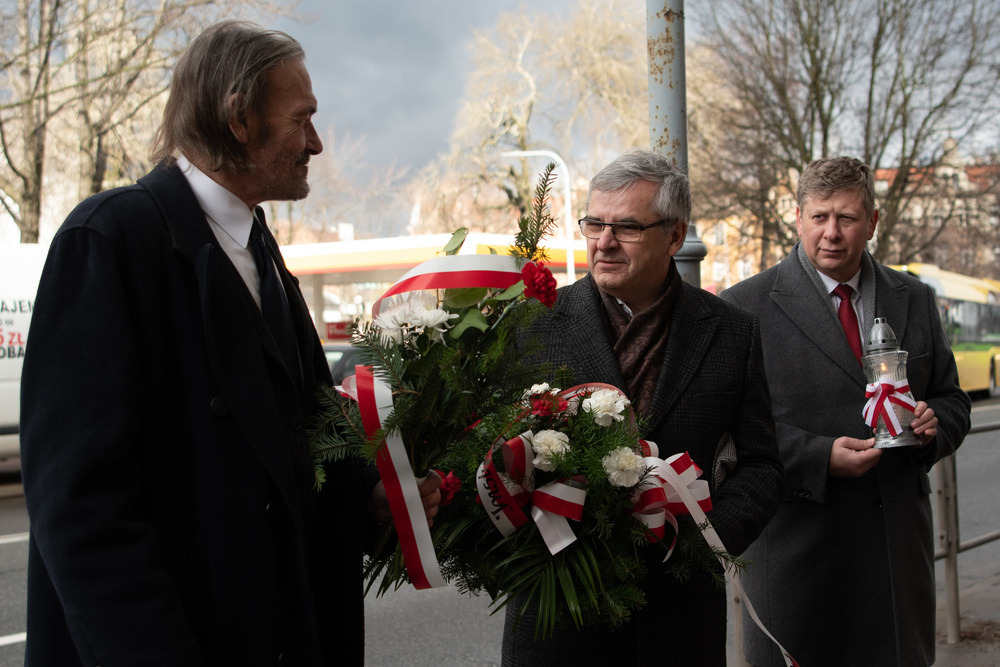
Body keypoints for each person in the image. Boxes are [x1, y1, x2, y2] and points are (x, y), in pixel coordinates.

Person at [19, 21, 439, 666]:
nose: (317, 143)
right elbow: (79, 501)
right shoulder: (110, 241)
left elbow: (291, 432)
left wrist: (368, 500)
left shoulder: (258, 245)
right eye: (301, 120)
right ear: (239, 119)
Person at [501, 148, 785, 666]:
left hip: (678, 620)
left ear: (675, 236)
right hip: (557, 619)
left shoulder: (730, 333)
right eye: (594, 223)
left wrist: (704, 542)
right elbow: (489, 451)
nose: (603, 242)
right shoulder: (534, 324)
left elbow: (763, 463)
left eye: (627, 227)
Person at [721, 156, 971, 666]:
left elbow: (952, 399)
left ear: (873, 222)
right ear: (798, 218)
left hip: (894, 560)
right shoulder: (744, 307)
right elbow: (728, 434)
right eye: (819, 217)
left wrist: (933, 425)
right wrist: (818, 457)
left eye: (847, 218)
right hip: (797, 561)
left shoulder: (916, 298)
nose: (831, 233)